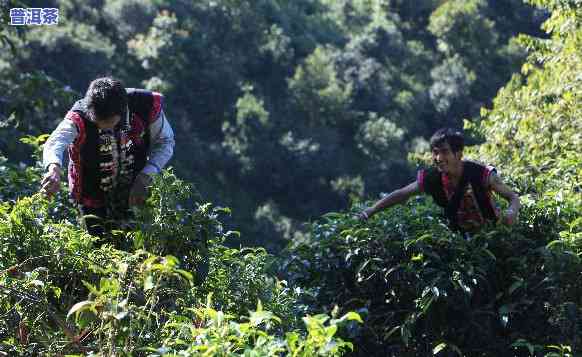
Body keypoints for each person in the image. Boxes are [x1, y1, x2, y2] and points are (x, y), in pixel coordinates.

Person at [40, 77, 175, 237]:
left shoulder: (144, 105)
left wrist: (146, 175)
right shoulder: (78, 117)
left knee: (135, 244)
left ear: (122, 109)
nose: (104, 127)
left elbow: (165, 142)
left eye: (110, 121)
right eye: (98, 121)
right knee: (96, 244)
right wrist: (54, 168)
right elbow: (55, 141)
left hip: (134, 186)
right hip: (89, 187)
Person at [358, 128, 520, 233]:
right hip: (460, 241)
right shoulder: (433, 178)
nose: (438, 158)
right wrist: (370, 211)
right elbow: (401, 194)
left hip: (493, 236)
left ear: (458, 154)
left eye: (444, 152)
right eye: (435, 153)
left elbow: (512, 197)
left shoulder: (480, 173)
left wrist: (511, 212)